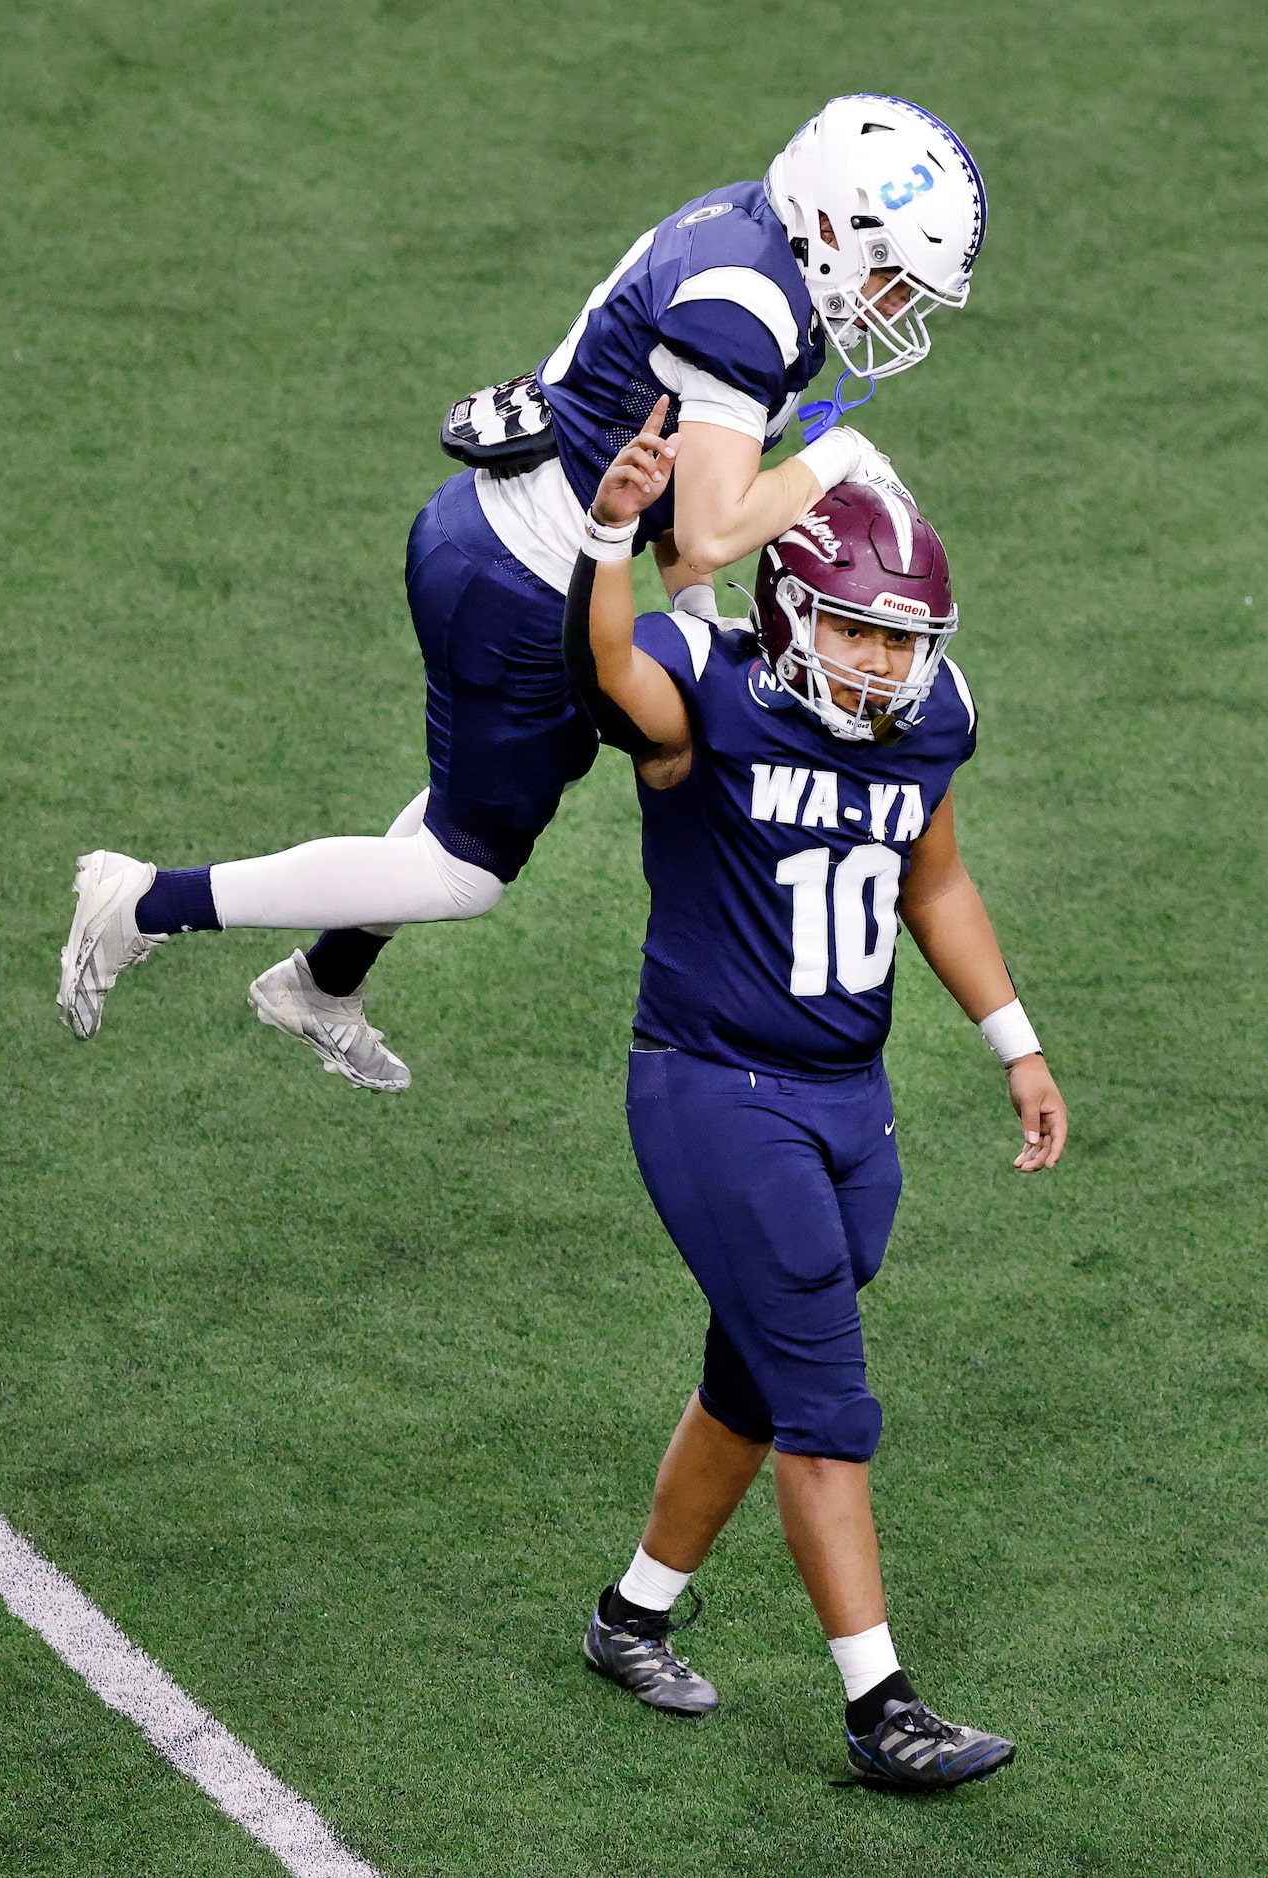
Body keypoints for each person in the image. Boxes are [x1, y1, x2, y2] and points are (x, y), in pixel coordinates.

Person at [58, 97, 989, 1083]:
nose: (892, 305)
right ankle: (143, 900)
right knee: (462, 872)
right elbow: (717, 522)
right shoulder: (746, 307)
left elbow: (683, 518)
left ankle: (321, 986)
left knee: (478, 804)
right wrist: (838, 455)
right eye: (889, 275)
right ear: (834, 229)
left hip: (530, 561)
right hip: (513, 581)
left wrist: (699, 633)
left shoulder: (759, 252)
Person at [561, 405, 1067, 1789]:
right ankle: (880, 1706)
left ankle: (630, 1613)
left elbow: (933, 880)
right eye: (855, 628)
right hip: (714, 1088)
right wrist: (612, 533)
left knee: (756, 1366)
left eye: (903, 637)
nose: (884, 661)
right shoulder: (707, 689)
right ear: (789, 606)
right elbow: (606, 669)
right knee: (825, 1402)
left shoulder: (926, 725)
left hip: (850, 1097)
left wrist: (1010, 1039)